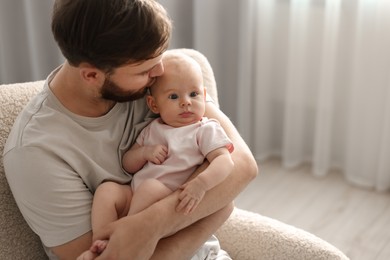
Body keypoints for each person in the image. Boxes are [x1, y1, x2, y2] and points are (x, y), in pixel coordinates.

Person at [3, 0, 258, 259]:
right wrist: (212, 213)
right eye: (146, 70)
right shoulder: (34, 152)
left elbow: (242, 167)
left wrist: (151, 223)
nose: (160, 72)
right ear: (92, 76)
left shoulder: (163, 81)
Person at [79, 52, 235, 259]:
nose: (186, 102)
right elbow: (128, 164)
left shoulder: (204, 129)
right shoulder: (153, 128)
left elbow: (225, 160)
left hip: (168, 201)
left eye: (194, 94)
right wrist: (144, 153)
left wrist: (201, 184)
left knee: (150, 188)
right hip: (136, 194)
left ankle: (127, 235)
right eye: (173, 96)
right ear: (154, 105)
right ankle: (102, 241)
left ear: (204, 96)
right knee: (107, 190)